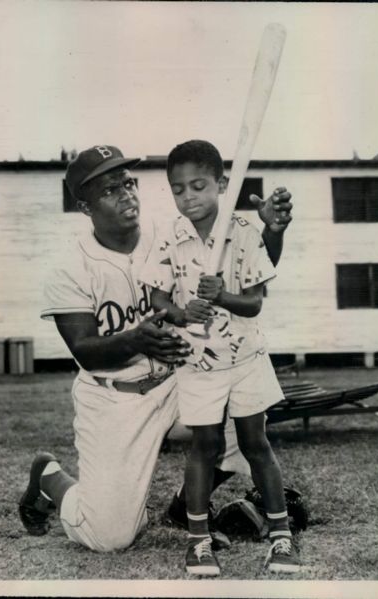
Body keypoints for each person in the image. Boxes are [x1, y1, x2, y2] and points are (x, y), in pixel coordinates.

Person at [18, 144, 294, 555]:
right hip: (116, 398)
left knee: (245, 424)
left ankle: (187, 505)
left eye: (129, 182)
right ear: (84, 206)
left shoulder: (175, 233)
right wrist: (136, 339)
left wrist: (273, 232)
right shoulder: (69, 268)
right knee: (110, 537)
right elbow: (85, 351)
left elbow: (247, 269)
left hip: (178, 381)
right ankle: (51, 478)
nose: (126, 193)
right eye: (110, 189)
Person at [141, 140, 300, 576]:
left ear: (221, 185)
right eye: (178, 189)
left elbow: (254, 304)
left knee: (255, 443)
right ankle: (198, 541)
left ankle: (281, 535)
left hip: (246, 357)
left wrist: (222, 296)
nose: (188, 196)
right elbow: (157, 298)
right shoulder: (169, 237)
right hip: (198, 363)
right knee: (205, 446)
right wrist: (180, 311)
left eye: (198, 185)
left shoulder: (244, 232)